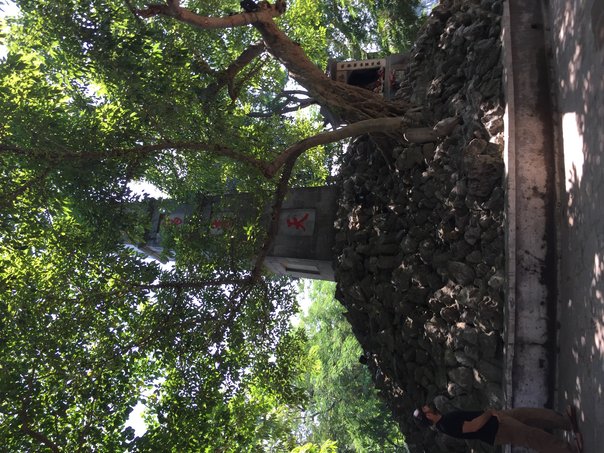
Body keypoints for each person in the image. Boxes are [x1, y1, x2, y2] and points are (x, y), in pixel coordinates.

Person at [413, 403, 583, 453]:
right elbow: (473, 427)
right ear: (428, 416)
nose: (427, 405)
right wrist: (489, 413)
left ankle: (566, 422)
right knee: (533, 436)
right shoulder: (446, 424)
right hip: (496, 429)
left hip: (496, 419)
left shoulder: (445, 420)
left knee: (531, 414)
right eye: (424, 409)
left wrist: (492, 414)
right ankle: (569, 450)